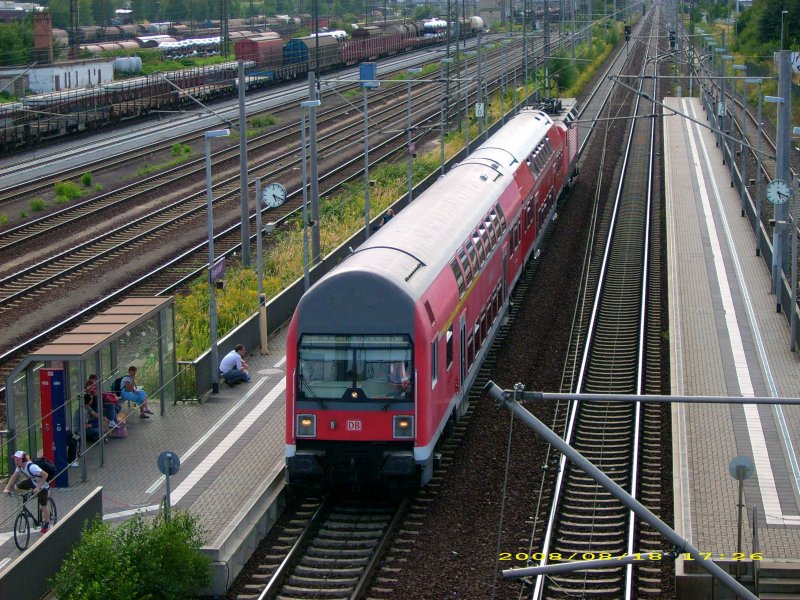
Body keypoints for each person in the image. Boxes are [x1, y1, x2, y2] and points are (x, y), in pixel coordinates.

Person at [4, 450, 52, 533]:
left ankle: (47, 524)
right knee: (16, 487)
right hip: (32, 481)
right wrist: (7, 488)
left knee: (43, 507)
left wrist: (38, 487)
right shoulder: (20, 467)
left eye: (18, 460)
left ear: (23, 460)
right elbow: (14, 476)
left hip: (42, 485)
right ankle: (26, 496)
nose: (16, 462)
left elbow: (45, 475)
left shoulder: (32, 467)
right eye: (15, 459)